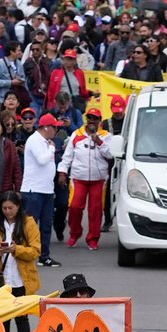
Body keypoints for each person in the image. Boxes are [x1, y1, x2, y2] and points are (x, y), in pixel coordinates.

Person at [58, 107, 111, 250]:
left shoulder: (106, 135)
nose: (92, 121)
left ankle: (93, 238)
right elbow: (67, 156)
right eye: (90, 118)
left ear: (100, 121)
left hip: (99, 179)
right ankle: (75, 234)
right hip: (78, 178)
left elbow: (110, 154)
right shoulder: (77, 134)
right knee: (75, 207)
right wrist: (62, 172)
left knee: (95, 210)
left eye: (95, 118)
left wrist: (98, 140)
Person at [21, 114, 62, 267]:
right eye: (54, 127)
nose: (56, 130)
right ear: (46, 127)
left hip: (46, 189)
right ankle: (27, 254)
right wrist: (52, 149)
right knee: (31, 225)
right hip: (33, 189)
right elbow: (42, 160)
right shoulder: (34, 140)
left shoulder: (45, 141)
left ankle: (44, 256)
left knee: (46, 224)